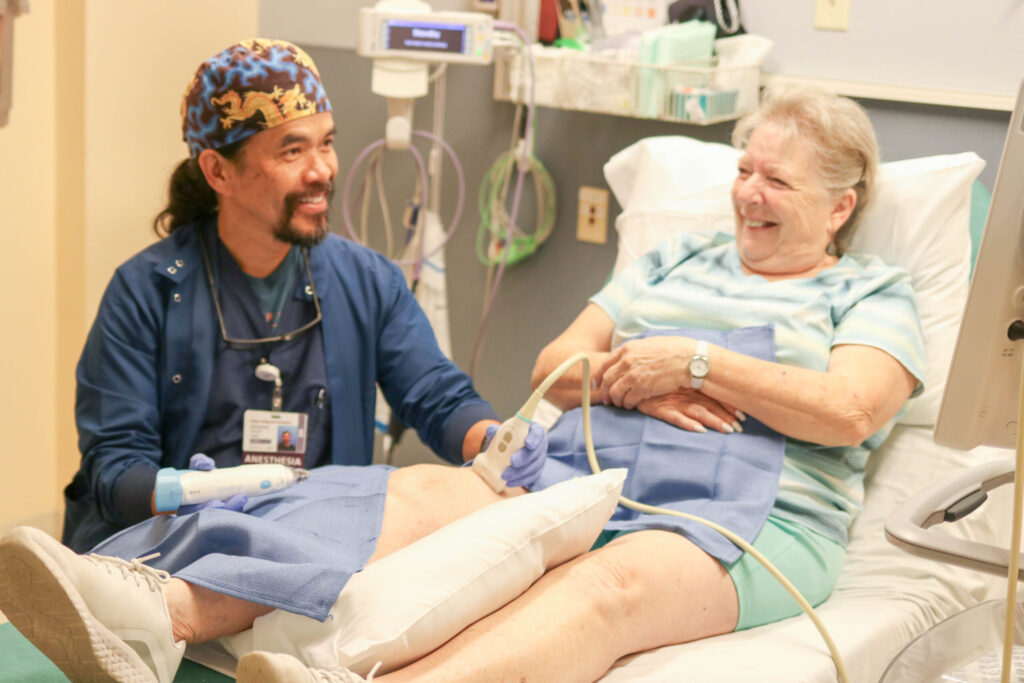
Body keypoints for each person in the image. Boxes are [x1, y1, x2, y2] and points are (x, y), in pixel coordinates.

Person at [232, 86, 926, 681]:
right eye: (744, 170)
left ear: (839, 208)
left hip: (748, 518)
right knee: (416, 493)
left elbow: (850, 410)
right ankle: (173, 607)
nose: (748, 192)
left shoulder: (870, 291)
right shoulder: (679, 256)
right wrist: (639, 380)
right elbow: (555, 367)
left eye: (777, 181)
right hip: (591, 471)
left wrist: (694, 360)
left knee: (604, 584)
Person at [0, 38, 547, 683]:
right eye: (293, 150)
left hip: (311, 546)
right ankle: (153, 622)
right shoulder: (146, 292)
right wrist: (188, 493)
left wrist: (494, 437)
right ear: (218, 172)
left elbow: (434, 392)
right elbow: (114, 468)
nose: (322, 170)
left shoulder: (365, 280)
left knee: (446, 501)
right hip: (171, 550)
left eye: (326, 142)